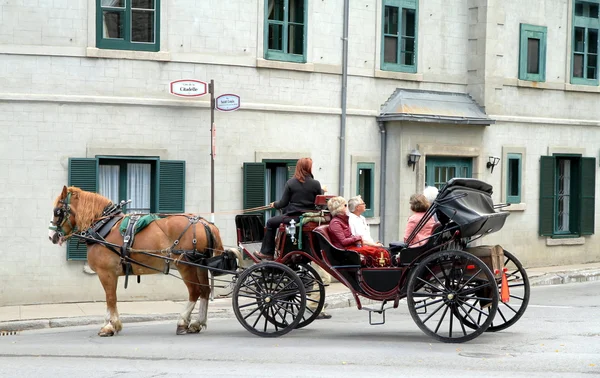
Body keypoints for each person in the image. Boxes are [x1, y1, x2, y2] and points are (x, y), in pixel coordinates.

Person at [255, 157, 325, 260]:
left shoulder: (291, 183)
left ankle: (267, 252)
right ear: (308, 168)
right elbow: (320, 201)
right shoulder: (316, 184)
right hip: (307, 217)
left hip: (293, 217)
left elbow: (283, 203)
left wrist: (274, 204)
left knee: (270, 223)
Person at [327, 196, 390, 265]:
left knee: (381, 251)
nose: (347, 207)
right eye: (345, 205)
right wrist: (357, 238)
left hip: (352, 246)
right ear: (339, 208)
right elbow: (343, 241)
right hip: (346, 250)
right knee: (378, 252)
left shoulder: (343, 220)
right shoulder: (336, 223)